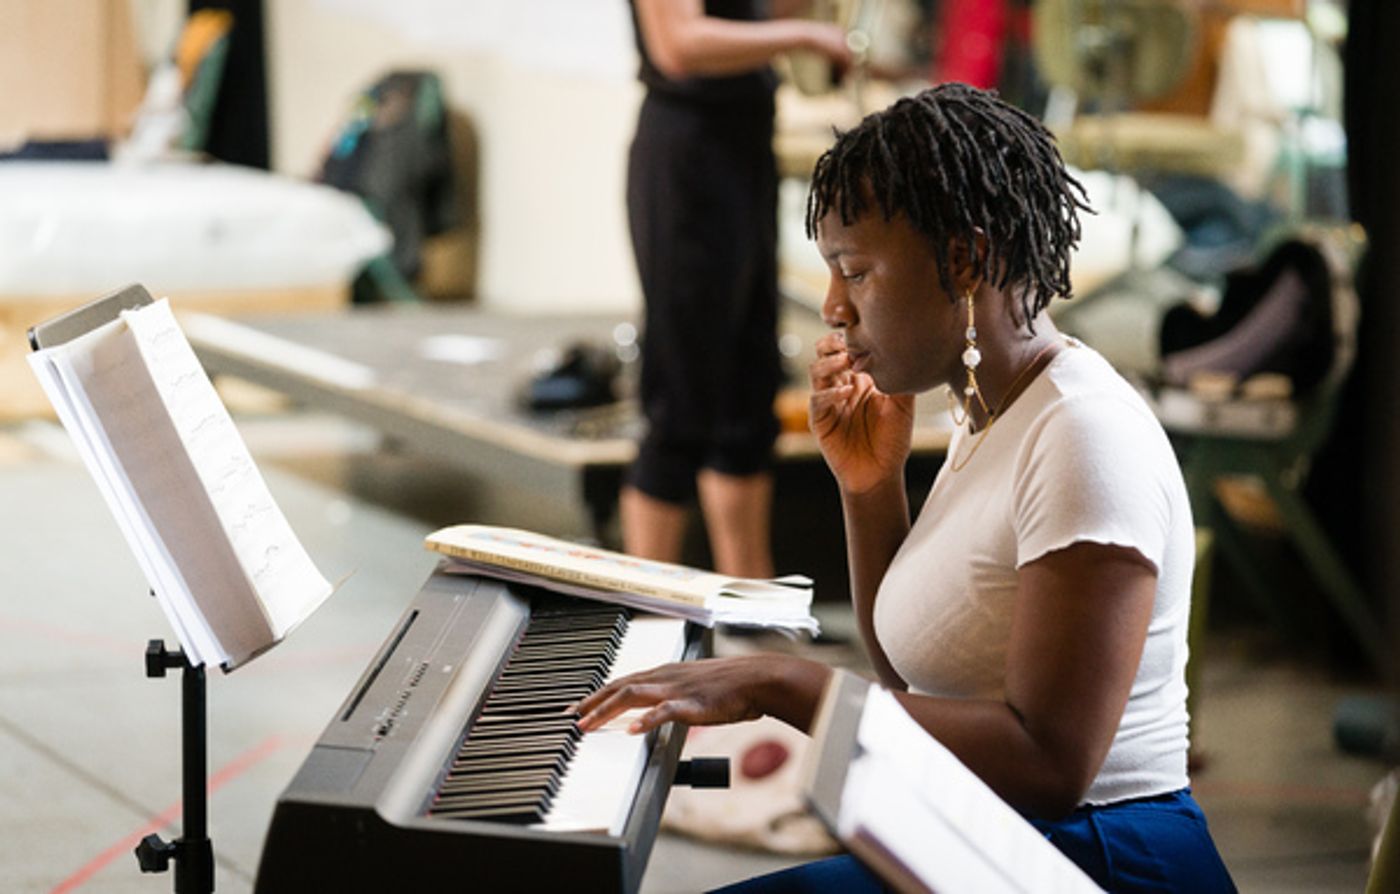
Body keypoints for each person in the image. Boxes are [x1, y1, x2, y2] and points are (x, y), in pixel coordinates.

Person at [577, 83, 1236, 893]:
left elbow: (1050, 762)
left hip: (1097, 856)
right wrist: (870, 485)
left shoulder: (1082, 434)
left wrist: (785, 681)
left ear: (962, 261)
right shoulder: (990, 413)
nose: (833, 308)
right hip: (994, 833)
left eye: (855, 272)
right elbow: (915, 678)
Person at [621, 0, 852, 578]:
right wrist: (803, 35)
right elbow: (678, 44)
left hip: (742, 144)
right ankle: (646, 620)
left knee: (746, 397)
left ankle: (751, 613)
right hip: (688, 154)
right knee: (680, 399)